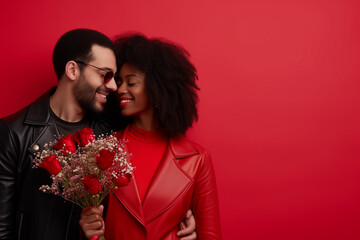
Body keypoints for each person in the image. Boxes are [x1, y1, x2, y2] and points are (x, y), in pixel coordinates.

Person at [0, 29, 196, 240]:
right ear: (73, 70)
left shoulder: (114, 133)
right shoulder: (14, 132)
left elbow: (141, 197)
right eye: (105, 75)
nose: (113, 86)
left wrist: (181, 219)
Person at [80, 34, 222, 239]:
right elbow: (91, 224)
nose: (120, 90)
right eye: (119, 82)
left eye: (131, 82)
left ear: (158, 88)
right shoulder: (103, 150)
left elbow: (211, 235)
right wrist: (86, 229)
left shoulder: (197, 159)